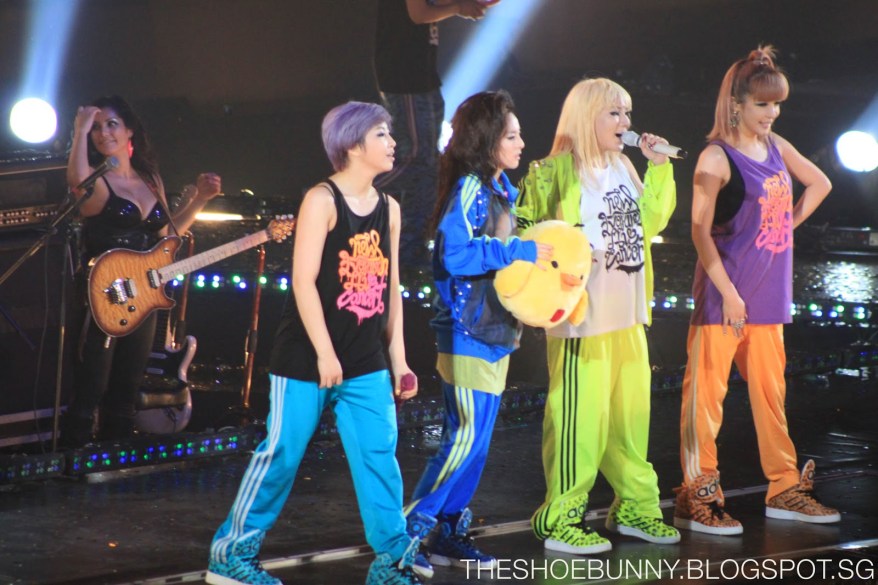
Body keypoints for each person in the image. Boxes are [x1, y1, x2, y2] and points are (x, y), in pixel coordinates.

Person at [206, 101, 422, 585]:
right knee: (282, 452)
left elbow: (390, 290)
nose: (392, 143)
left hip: (365, 356)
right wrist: (325, 353)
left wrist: (400, 360)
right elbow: (302, 282)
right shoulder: (321, 201)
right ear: (353, 144)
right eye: (382, 134)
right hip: (306, 355)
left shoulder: (389, 209)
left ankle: (391, 562)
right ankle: (230, 556)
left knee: (378, 454)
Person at [674, 46, 838, 535]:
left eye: (777, 104)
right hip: (724, 297)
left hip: (767, 296)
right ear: (736, 105)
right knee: (706, 399)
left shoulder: (776, 146)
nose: (772, 113)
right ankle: (697, 494)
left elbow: (821, 183)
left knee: (771, 397)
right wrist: (728, 292)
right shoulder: (715, 157)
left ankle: (784, 487)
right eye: (763, 104)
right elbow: (699, 232)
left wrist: (785, 226)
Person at [516, 78, 679, 554]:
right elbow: (521, 234)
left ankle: (636, 507)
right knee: (579, 422)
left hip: (627, 314)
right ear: (587, 117)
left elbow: (651, 222)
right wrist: (555, 268)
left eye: (627, 113)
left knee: (630, 420)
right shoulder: (551, 172)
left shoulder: (624, 165)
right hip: (581, 320)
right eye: (615, 113)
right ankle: (561, 518)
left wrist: (659, 170)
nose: (626, 123)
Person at [402, 90, 552, 578]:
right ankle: (408, 532)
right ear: (488, 140)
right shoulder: (470, 187)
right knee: (463, 438)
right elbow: (456, 254)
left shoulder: (501, 190)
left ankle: (448, 531)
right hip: (465, 331)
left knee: (477, 442)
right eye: (512, 136)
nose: (521, 143)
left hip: (494, 332)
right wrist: (516, 251)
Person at [62, 95, 222, 446]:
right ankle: (73, 459)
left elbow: (167, 235)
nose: (103, 133)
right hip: (103, 294)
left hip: (142, 294)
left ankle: (115, 459)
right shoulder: (96, 180)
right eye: (96, 128)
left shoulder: (150, 179)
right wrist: (79, 130)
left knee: (126, 388)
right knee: (91, 386)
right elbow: (77, 184)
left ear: (130, 130)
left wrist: (199, 199)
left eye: (112, 124)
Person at [373, 0, 500, 267]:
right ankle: (347, 190)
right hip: (405, 77)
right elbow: (419, 14)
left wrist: (466, 5)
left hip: (423, 76)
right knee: (417, 159)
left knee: (429, 166)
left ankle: (411, 250)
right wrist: (460, 8)